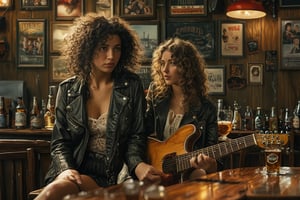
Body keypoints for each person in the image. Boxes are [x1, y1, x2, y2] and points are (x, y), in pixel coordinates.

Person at [35, 13, 162, 200]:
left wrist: (137, 165)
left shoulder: (131, 85)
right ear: (87, 48)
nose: (111, 56)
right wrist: (65, 169)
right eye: (103, 47)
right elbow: (59, 142)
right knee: (55, 191)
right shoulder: (68, 89)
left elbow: (137, 136)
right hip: (74, 170)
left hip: (113, 174)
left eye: (117, 48)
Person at [145, 37, 222, 183]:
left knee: (200, 175)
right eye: (162, 63)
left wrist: (210, 164)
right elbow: (140, 133)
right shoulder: (156, 95)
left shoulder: (206, 109)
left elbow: (215, 154)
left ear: (187, 66)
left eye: (172, 63)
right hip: (155, 172)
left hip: (186, 174)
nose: (164, 69)